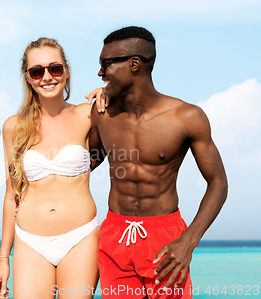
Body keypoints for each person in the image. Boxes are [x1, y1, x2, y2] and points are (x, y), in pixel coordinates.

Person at [87, 26, 228, 299]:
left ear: (134, 64)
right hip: (115, 234)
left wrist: (188, 241)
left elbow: (218, 182)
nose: (100, 73)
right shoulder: (102, 114)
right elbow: (87, 164)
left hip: (166, 238)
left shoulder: (186, 117)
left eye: (105, 64)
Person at [0, 37, 106, 299]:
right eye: (37, 71)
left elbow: (130, 121)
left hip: (80, 238)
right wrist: (3, 260)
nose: (47, 77)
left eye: (55, 68)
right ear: (28, 78)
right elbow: (12, 196)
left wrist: (109, 93)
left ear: (66, 71)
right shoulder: (13, 127)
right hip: (30, 242)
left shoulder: (88, 115)